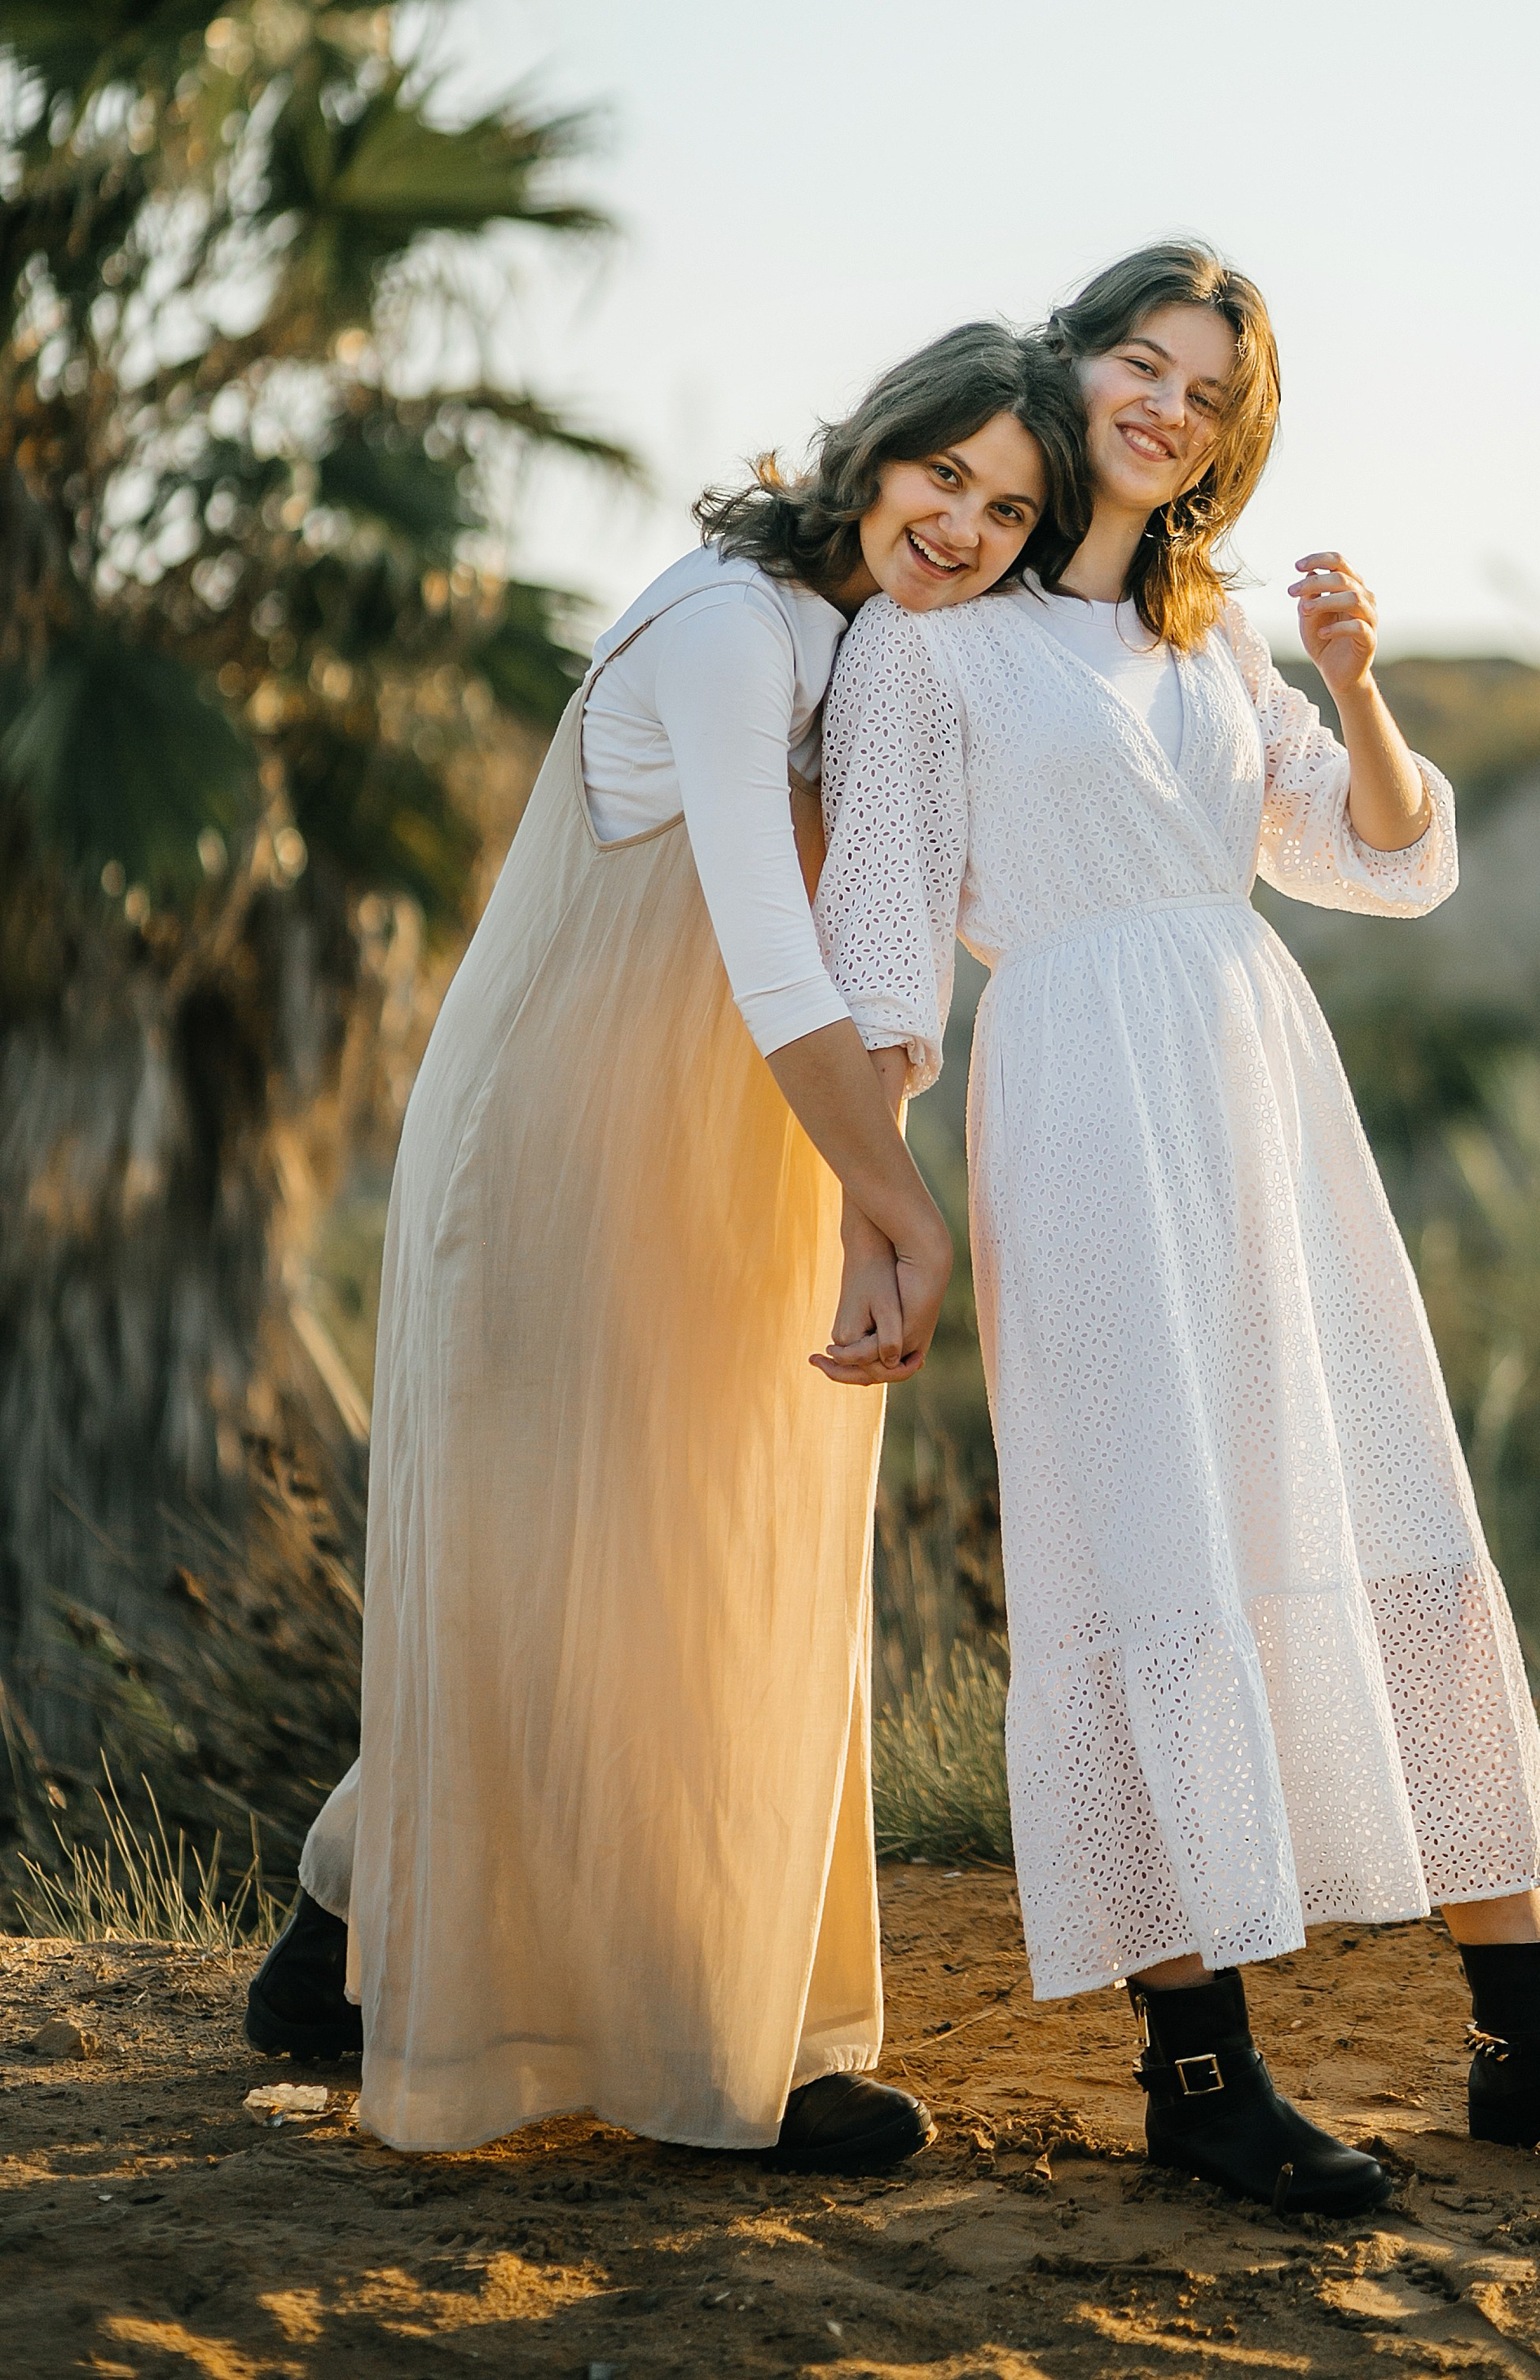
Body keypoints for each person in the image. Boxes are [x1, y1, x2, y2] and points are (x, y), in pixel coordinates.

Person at [812, 242, 1540, 2210]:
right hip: (1068, 1099)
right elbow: (882, 949)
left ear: (1229, 434)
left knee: (1379, 1505)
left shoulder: (1213, 638)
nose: (1162, 405)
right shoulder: (923, 640)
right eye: (1133, 361)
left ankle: (1532, 2040)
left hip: (1257, 1085)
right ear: (1056, 377)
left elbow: (1383, 862)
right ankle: (1200, 2070)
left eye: (1205, 390)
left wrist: (1354, 684)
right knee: (1144, 1542)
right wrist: (870, 1223)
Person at [245, 321, 1091, 2168]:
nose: (959, 526)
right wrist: (901, 1201)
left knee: (695, 1549)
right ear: (873, 449)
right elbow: (762, 941)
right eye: (943, 474)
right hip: (567, 1134)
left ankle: (347, 1914)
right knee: (581, 1556)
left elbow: (886, 930)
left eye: (1009, 512)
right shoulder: (727, 624)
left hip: (739, 1141)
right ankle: (713, 2057)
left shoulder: (871, 662)